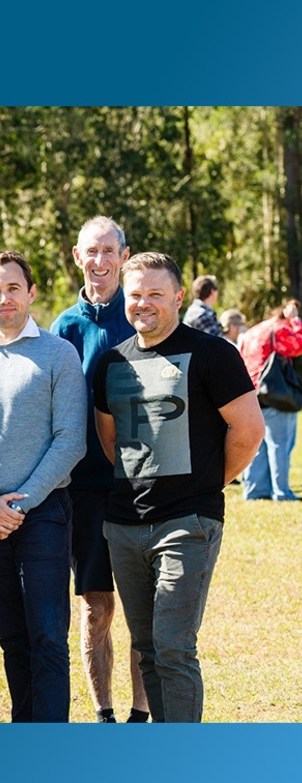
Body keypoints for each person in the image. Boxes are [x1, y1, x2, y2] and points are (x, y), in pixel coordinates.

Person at [93, 252, 264, 722]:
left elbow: (248, 432)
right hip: (124, 526)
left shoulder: (213, 354)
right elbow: (111, 441)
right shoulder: (112, 362)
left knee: (173, 646)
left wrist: (208, 483)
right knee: (147, 646)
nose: (143, 303)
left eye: (156, 293)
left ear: (178, 297)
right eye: (135, 294)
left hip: (188, 524)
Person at [0, 250, 87, 722]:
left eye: (13, 288)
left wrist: (17, 506)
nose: (4, 298)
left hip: (43, 514)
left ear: (31, 293)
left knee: (47, 635)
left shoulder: (58, 354)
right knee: (11, 637)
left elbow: (71, 440)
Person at [50, 216, 150, 724]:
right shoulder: (62, 329)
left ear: (124, 257)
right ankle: (104, 713)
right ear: (77, 256)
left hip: (143, 486)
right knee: (96, 607)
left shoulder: (142, 318)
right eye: (91, 250)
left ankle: (140, 713)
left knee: (143, 609)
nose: (100, 260)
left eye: (110, 250)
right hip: (84, 489)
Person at [239, 298, 302, 501]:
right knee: (280, 443)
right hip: (275, 392)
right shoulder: (281, 329)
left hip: (251, 392)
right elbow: (299, 345)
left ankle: (255, 490)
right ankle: (281, 491)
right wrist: (296, 321)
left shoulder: (253, 331)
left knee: (257, 444)